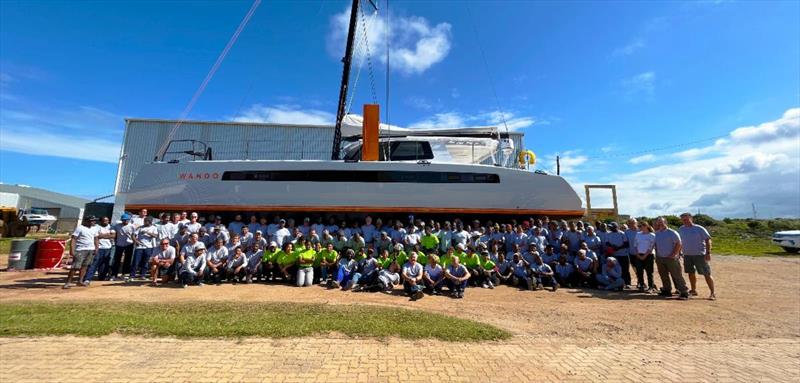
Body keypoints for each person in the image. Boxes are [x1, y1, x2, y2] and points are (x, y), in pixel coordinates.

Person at [679, 213, 715, 300]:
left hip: (700, 255)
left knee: (706, 273)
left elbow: (708, 240)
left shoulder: (699, 228)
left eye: (686, 219)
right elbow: (680, 241)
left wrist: (708, 253)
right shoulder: (681, 229)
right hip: (687, 255)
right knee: (690, 273)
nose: (685, 221)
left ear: (691, 218)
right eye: (683, 219)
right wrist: (680, 252)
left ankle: (712, 293)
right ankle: (693, 290)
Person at [654, 217, 689, 300]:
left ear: (666, 222)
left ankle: (684, 292)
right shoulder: (657, 233)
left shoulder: (672, 232)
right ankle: (667, 290)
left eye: (661, 222)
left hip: (671, 258)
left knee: (677, 275)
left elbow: (679, 244)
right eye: (658, 223)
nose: (660, 224)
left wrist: (673, 254)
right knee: (663, 275)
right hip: (660, 258)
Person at [63, 216, 99, 289]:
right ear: (87, 221)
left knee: (85, 266)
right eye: (92, 221)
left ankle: (80, 281)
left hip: (90, 249)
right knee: (75, 267)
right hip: (80, 250)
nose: (94, 222)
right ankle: (68, 282)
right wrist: (72, 250)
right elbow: (74, 239)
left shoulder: (94, 229)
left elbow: (96, 239)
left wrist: (96, 248)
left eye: (95, 220)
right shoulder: (80, 228)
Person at [84, 216, 115, 284]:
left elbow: (113, 236)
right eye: (104, 221)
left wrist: (102, 235)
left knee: (104, 264)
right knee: (94, 263)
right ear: (101, 221)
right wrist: (107, 235)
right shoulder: (96, 227)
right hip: (99, 247)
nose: (106, 222)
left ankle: (102, 277)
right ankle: (87, 278)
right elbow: (97, 236)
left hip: (108, 248)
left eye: (107, 220)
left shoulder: (111, 227)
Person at [604, 222, 630, 287]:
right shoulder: (608, 234)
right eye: (609, 227)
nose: (610, 228)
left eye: (611, 226)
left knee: (625, 269)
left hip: (623, 255)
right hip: (614, 255)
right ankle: (618, 283)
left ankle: (627, 283)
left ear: (616, 227)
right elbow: (607, 243)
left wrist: (618, 248)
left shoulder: (622, 233)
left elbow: (626, 244)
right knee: (616, 270)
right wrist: (612, 247)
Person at [110, 213, 135, 280]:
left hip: (129, 245)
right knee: (116, 260)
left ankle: (124, 274)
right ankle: (114, 274)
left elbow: (134, 236)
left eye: (126, 220)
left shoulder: (132, 226)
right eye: (123, 220)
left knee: (127, 260)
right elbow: (114, 234)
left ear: (129, 220)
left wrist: (135, 242)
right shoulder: (117, 226)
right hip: (119, 245)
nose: (125, 221)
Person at [633, 221, 657, 292]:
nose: (641, 227)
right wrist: (637, 254)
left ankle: (651, 287)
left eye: (642, 226)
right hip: (639, 255)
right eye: (639, 226)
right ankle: (641, 285)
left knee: (649, 272)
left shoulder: (652, 235)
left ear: (647, 226)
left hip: (649, 255)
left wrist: (644, 256)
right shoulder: (638, 234)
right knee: (639, 271)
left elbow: (651, 247)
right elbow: (635, 245)